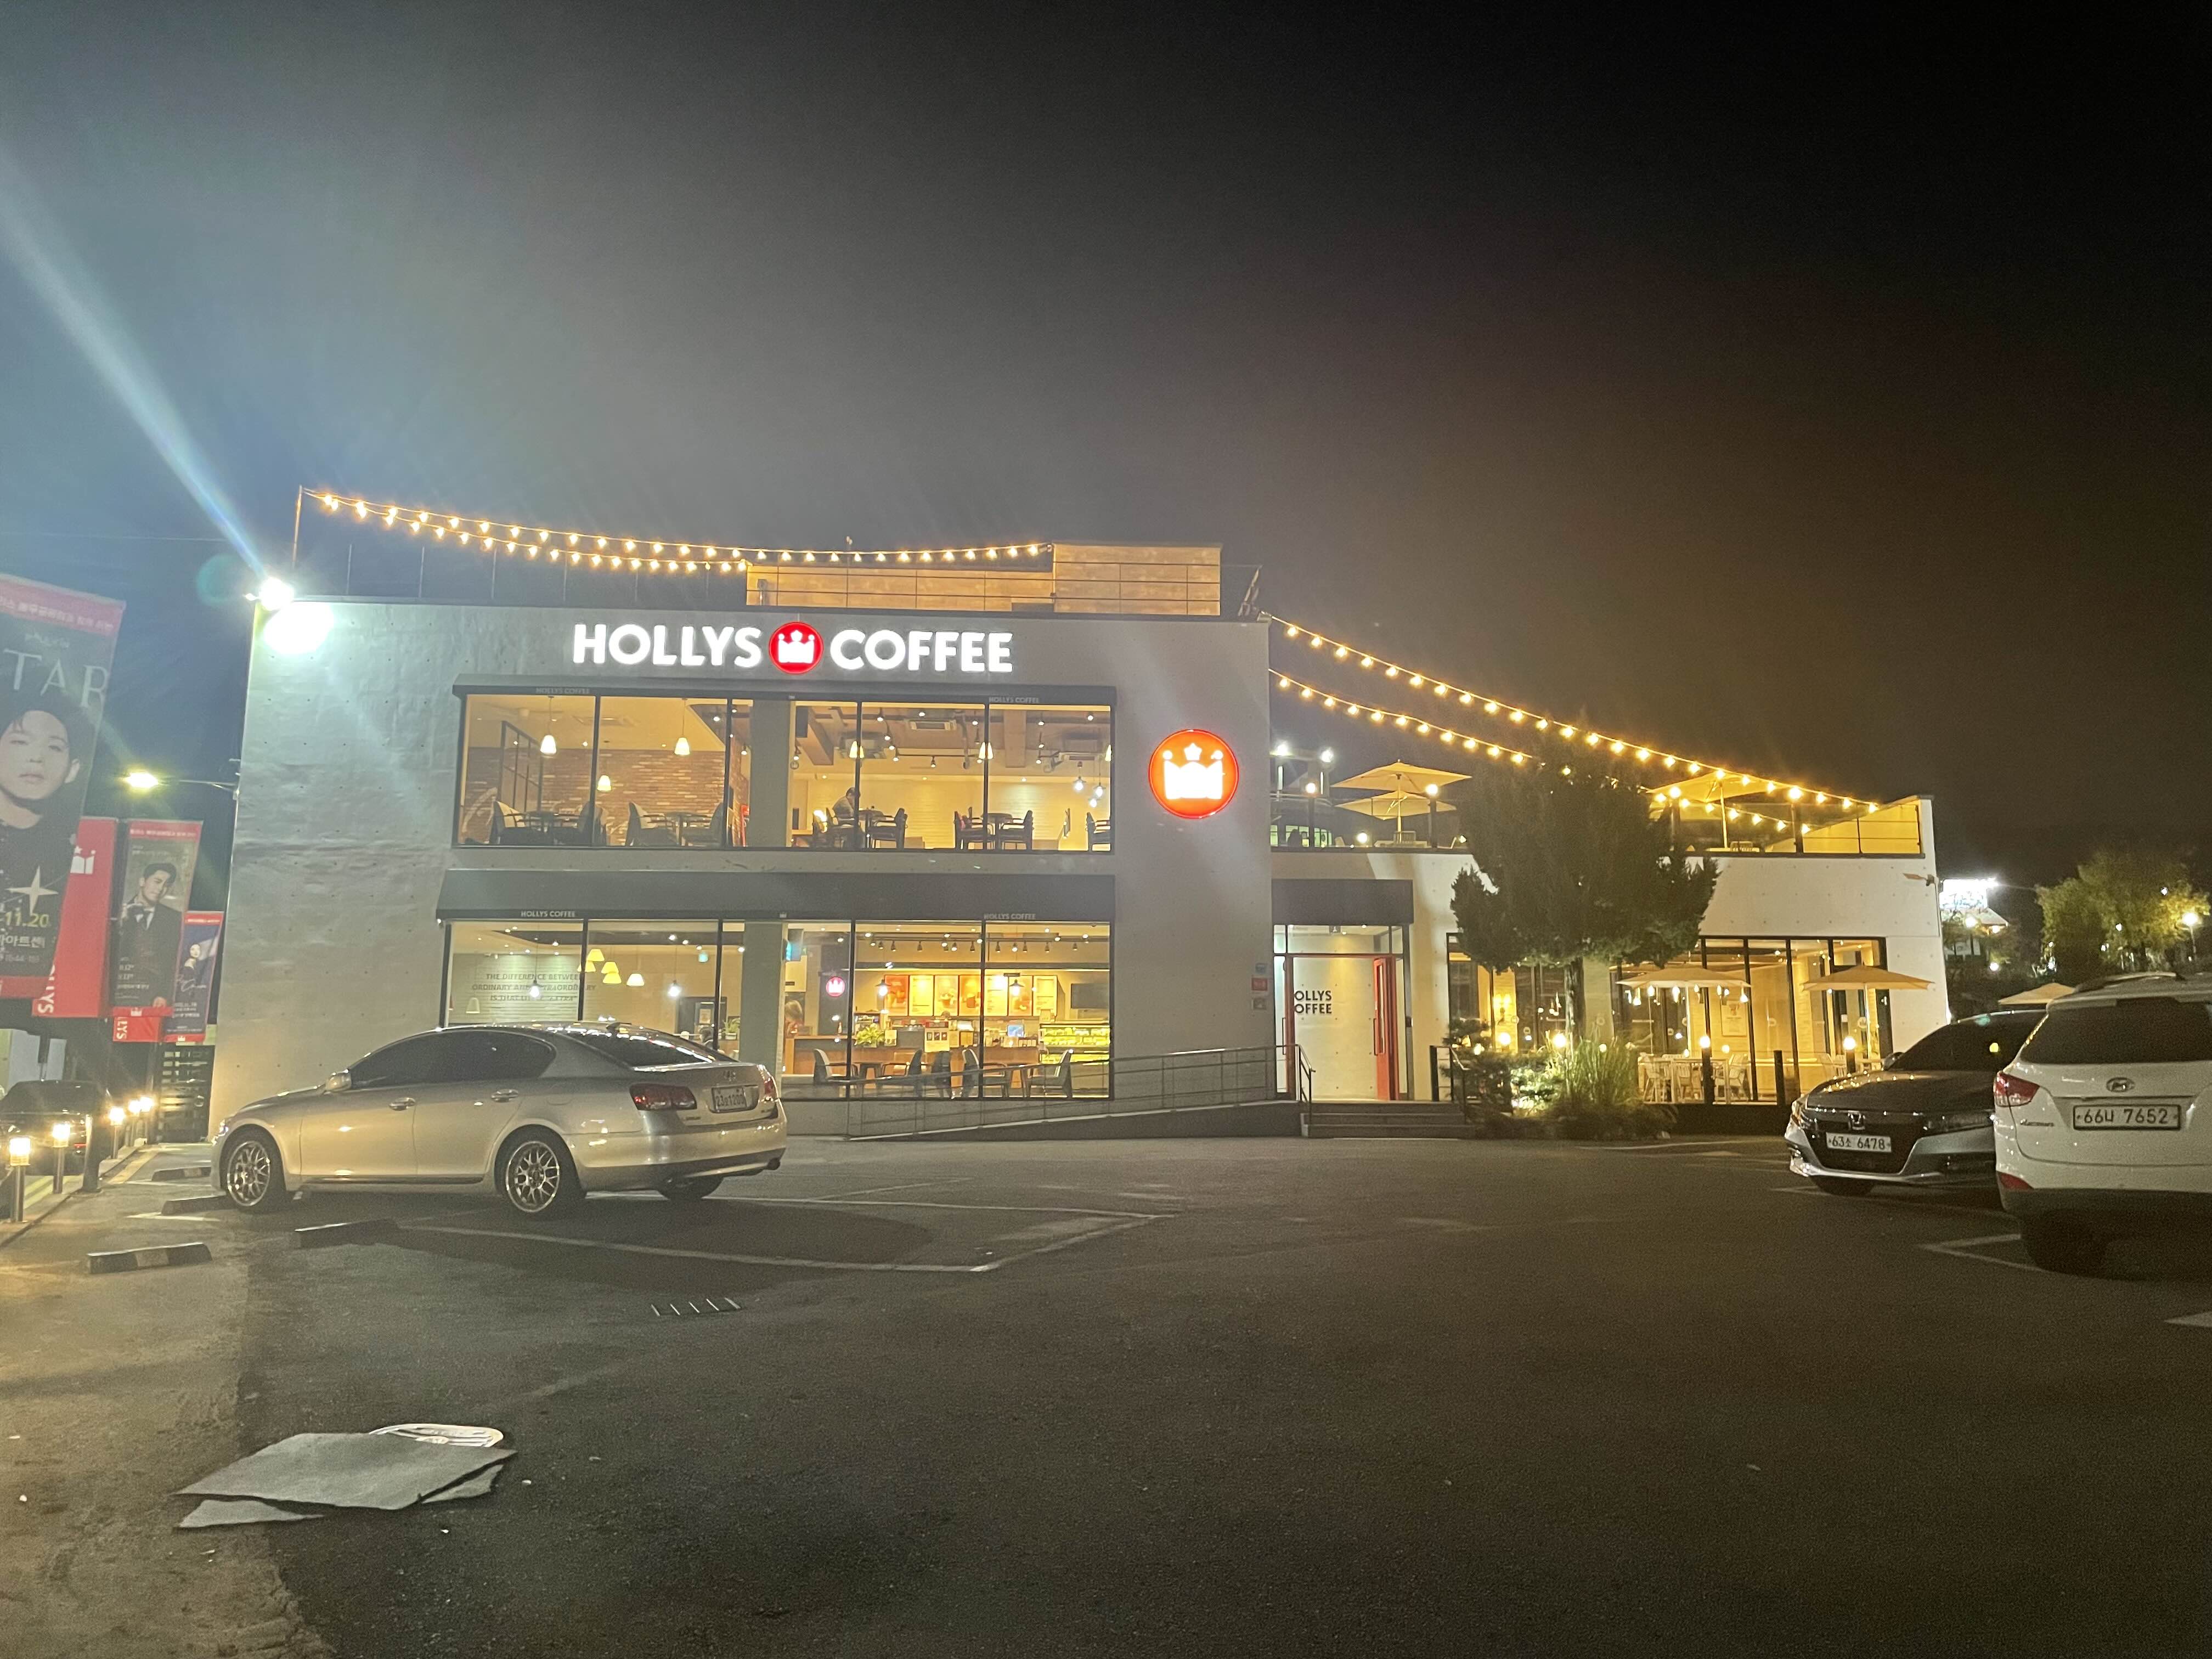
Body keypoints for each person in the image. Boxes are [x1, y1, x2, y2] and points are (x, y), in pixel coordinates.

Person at [0, 691, 92, 971]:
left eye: (54, 747)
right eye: (20, 742)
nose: (36, 758)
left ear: (73, 769)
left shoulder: (75, 854)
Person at [116, 860, 184, 1000]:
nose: (161, 889)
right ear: (142, 881)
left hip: (155, 998)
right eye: (157, 882)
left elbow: (174, 961)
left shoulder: (175, 919)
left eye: (167, 885)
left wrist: (164, 995)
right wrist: (120, 926)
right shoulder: (117, 914)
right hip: (120, 994)